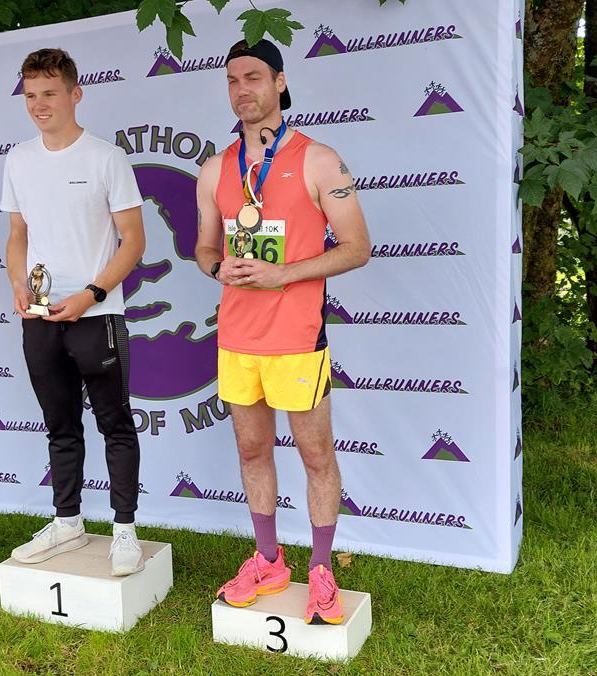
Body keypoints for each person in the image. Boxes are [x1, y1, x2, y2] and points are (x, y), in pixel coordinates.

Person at [194, 39, 372, 625]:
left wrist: (283, 275)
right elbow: (203, 246)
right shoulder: (215, 168)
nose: (241, 88)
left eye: (252, 77)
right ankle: (269, 559)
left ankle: (321, 569)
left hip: (297, 336)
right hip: (236, 337)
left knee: (315, 454)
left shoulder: (319, 159)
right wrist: (216, 266)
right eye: (231, 80)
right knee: (251, 449)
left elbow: (357, 248)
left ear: (279, 81)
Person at [2, 48, 148, 576]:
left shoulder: (106, 158)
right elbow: (17, 235)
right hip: (40, 318)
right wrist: (18, 284)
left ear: (74, 94)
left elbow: (133, 241)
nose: (39, 104)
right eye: (31, 94)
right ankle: (67, 522)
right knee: (59, 426)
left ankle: (125, 530)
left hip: (96, 316)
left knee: (115, 426)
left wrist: (92, 293)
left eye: (49, 93)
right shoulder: (17, 159)